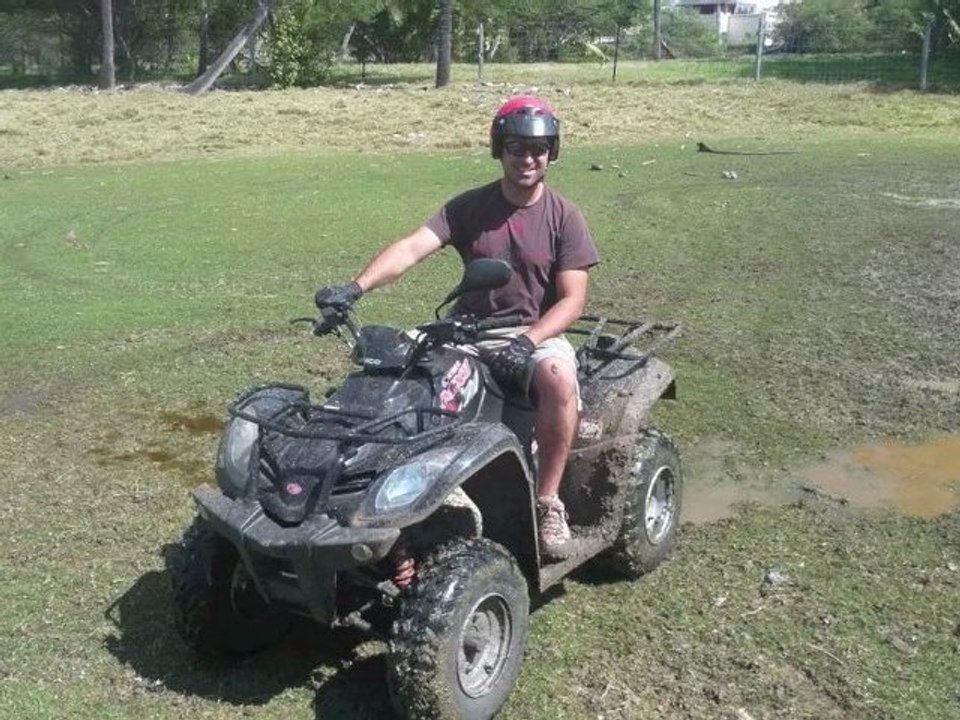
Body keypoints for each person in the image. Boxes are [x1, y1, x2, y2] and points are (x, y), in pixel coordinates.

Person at [316, 96, 599, 561]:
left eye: (538, 148)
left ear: (552, 152)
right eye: (516, 147)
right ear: (498, 148)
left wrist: (529, 342)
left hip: (533, 330)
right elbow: (410, 249)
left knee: (559, 380)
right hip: (466, 330)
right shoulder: (470, 207)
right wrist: (355, 287)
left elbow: (573, 300)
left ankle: (547, 501)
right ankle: (365, 481)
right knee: (392, 370)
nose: (527, 158)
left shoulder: (564, 217)